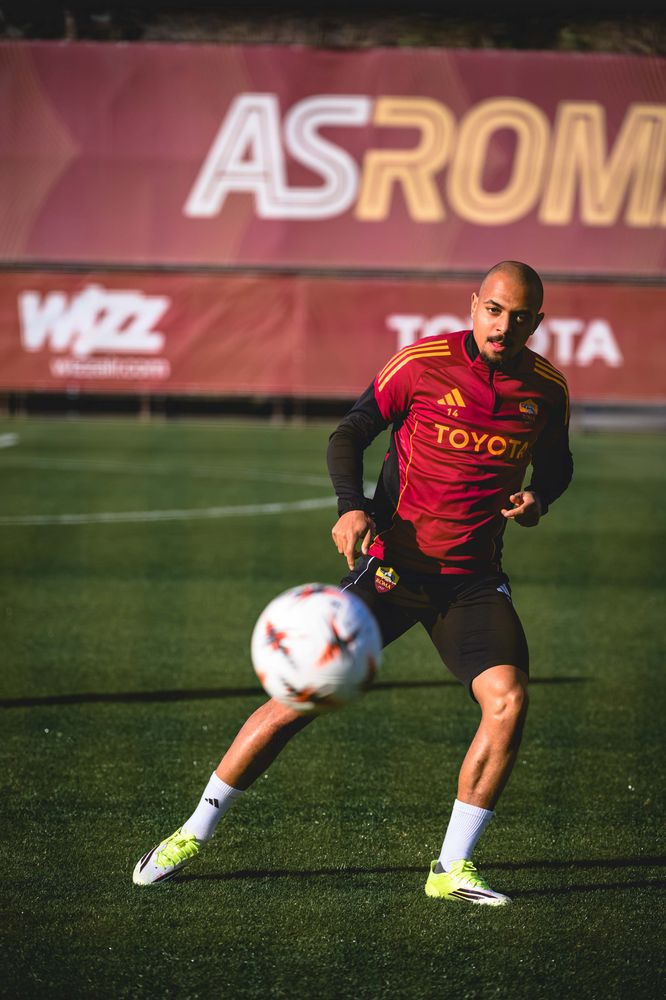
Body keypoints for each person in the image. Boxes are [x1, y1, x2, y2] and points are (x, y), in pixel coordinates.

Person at [133, 260, 573, 906]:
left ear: (537, 321)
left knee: (507, 701)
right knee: (298, 693)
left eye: (519, 316)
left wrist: (539, 496)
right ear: (473, 303)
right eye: (493, 310)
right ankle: (193, 831)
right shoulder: (420, 364)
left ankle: (450, 868)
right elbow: (351, 432)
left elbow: (558, 464)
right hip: (391, 568)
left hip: (473, 579)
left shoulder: (546, 387)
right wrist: (350, 504)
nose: (503, 326)